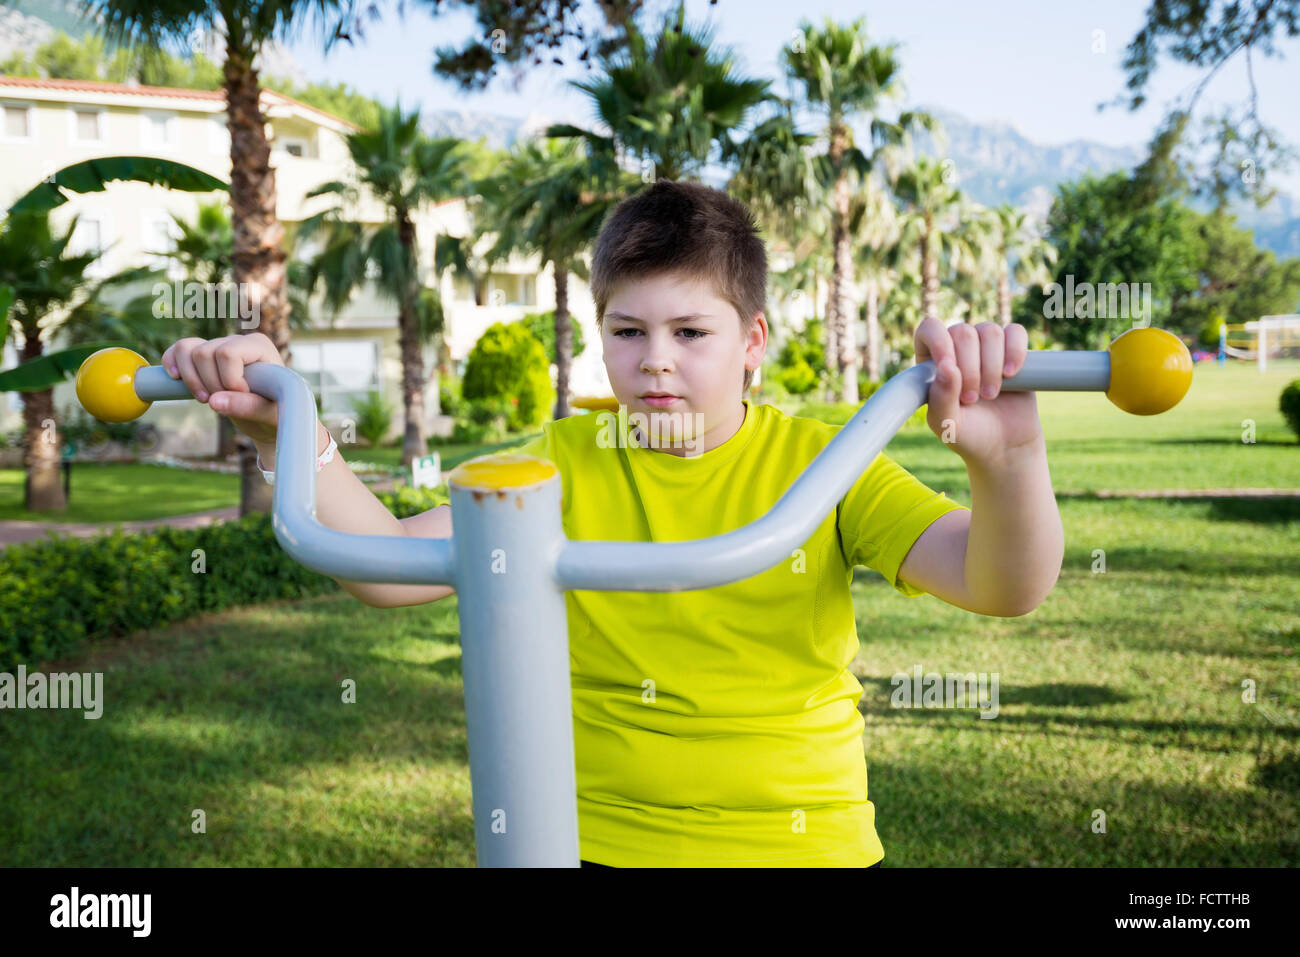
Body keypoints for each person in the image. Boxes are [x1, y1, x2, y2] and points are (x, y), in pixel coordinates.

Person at [160, 179, 1064, 868]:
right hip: (586, 840)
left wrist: (1008, 461)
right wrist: (285, 430)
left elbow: (1000, 584)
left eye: (691, 333)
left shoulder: (824, 461)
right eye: (627, 331)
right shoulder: (565, 457)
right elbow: (387, 564)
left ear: (752, 343)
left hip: (800, 844)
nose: (655, 363)